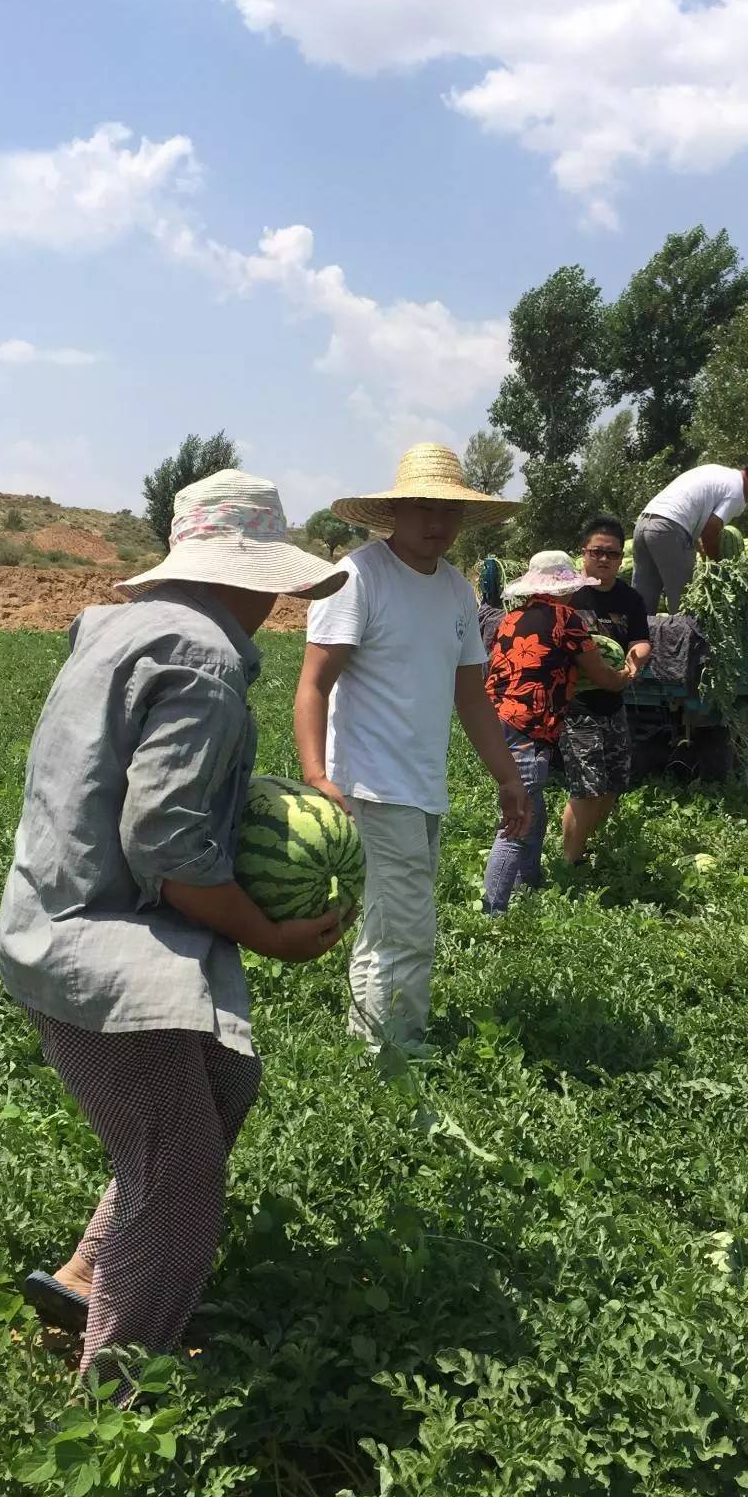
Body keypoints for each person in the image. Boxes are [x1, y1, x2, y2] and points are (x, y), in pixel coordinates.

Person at [0, 470, 350, 1388]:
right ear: (259, 575)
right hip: (104, 956)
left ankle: (89, 1276)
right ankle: (115, 1393)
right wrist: (271, 934)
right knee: (185, 1180)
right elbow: (168, 844)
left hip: (54, 923)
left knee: (224, 1081)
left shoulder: (119, 628)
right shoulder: (203, 659)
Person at [294, 443, 528, 1052]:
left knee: (390, 921)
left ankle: (372, 1040)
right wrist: (318, 775)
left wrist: (507, 777)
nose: (436, 524)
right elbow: (315, 682)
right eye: (422, 508)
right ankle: (394, 1052)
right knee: (408, 926)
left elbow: (472, 696)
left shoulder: (455, 589)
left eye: (448, 512)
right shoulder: (359, 577)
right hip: (372, 783)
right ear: (393, 512)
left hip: (421, 785)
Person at [482, 550, 630, 913]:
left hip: (494, 721)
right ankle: (493, 912)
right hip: (528, 725)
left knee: (533, 809)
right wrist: (625, 676)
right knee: (517, 821)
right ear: (565, 588)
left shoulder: (510, 618)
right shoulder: (566, 619)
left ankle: (528, 882)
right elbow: (601, 675)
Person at [561, 515, 652, 868]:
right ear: (583, 553)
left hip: (614, 702)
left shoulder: (630, 598)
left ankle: (585, 844)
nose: (604, 559)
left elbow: (641, 640)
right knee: (587, 788)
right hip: (577, 705)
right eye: (597, 551)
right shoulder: (570, 595)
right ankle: (570, 863)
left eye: (612, 554)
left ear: (620, 558)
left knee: (613, 783)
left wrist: (637, 657)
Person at [632, 458, 748, 616]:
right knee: (686, 601)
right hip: (669, 529)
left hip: (645, 522)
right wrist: (718, 565)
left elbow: (695, 515)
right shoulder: (736, 492)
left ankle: (631, 638)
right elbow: (710, 530)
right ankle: (683, 639)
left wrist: (701, 551)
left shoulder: (718, 472)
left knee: (643, 597)